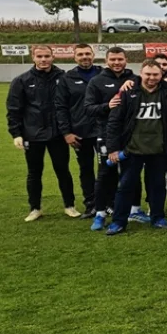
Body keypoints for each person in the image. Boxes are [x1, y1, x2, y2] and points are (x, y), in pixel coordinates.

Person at [103, 60, 167, 234]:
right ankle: (118, 222)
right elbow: (114, 121)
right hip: (132, 150)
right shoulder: (127, 91)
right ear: (141, 73)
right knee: (125, 187)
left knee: (157, 186)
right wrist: (112, 149)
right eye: (148, 74)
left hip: (158, 149)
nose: (151, 78)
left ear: (161, 75)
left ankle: (158, 218)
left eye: (155, 74)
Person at [8, 45, 75, 222]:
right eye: (39, 56)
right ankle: (35, 208)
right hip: (32, 134)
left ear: (53, 57)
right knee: (34, 172)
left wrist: (68, 129)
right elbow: (14, 109)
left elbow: (71, 105)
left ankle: (69, 206)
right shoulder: (21, 80)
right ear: (33, 57)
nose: (43, 59)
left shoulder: (63, 78)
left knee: (63, 170)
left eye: (46, 56)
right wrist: (16, 133)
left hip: (58, 134)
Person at [82, 47, 139, 229]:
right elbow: (88, 108)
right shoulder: (97, 81)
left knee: (132, 173)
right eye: (113, 59)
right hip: (106, 135)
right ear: (106, 61)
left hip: (130, 136)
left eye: (120, 59)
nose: (116, 62)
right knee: (105, 174)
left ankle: (134, 210)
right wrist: (108, 105)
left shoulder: (135, 79)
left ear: (126, 60)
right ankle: (100, 213)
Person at [54, 43, 102, 218]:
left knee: (107, 168)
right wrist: (66, 133)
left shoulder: (104, 73)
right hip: (80, 132)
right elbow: (61, 107)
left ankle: (108, 203)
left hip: (104, 130)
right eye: (80, 54)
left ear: (93, 55)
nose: (84, 57)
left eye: (87, 53)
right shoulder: (67, 78)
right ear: (74, 57)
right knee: (86, 169)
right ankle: (91, 204)